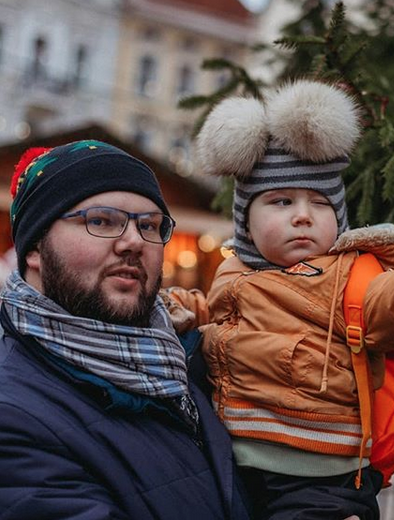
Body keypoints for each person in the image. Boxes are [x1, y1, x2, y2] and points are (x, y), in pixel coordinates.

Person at [167, 79, 394, 520]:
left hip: (321, 478)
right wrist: (188, 312)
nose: (302, 215)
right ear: (246, 220)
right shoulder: (233, 270)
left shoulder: (347, 276)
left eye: (319, 204)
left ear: (337, 216)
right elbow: (223, 316)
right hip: (235, 464)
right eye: (281, 201)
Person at [0, 140, 252, 520]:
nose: (134, 241)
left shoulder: (192, 360)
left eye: (149, 225)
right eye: (101, 220)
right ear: (35, 247)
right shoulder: (13, 414)